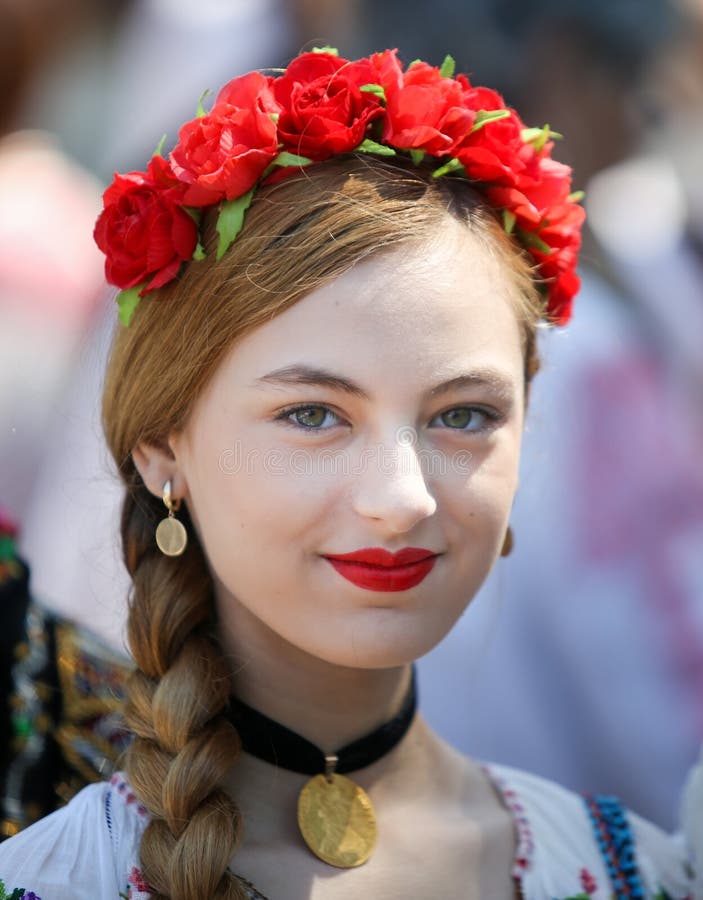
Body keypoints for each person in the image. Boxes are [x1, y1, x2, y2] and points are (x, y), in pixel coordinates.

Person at [0, 48, 694, 899]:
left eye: (463, 416)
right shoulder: (55, 882)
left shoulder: (634, 872)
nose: (401, 500)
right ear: (162, 449)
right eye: (313, 416)